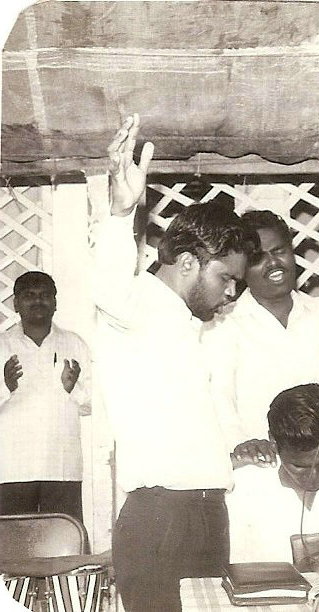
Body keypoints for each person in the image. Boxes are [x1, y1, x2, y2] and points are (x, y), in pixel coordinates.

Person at [93, 114, 255, 612]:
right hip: (161, 521)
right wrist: (122, 211)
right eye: (226, 278)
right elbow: (108, 283)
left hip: (206, 513)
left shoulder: (190, 325)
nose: (232, 292)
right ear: (187, 262)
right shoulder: (136, 305)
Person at [204, 209, 319, 467]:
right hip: (261, 464)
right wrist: (243, 446)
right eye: (258, 257)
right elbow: (220, 399)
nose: (273, 263)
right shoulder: (225, 324)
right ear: (241, 267)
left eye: (279, 251)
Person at [226, 383, 319, 570]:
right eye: (299, 467)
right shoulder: (245, 483)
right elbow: (234, 568)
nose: (313, 478)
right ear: (273, 442)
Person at [0, 271, 91, 523]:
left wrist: (72, 389)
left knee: (64, 538)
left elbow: (92, 405)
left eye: (44, 295)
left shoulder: (75, 344)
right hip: (12, 468)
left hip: (61, 467)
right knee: (13, 542)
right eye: (29, 295)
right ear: (16, 303)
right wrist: (6, 387)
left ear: (55, 302)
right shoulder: (2, 345)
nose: (37, 301)